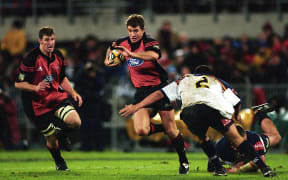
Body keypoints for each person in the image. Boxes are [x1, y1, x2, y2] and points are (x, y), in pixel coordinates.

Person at [120, 65, 276, 177]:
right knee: (237, 139)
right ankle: (265, 169)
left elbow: (159, 94)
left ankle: (219, 169)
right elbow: (236, 100)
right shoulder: (216, 81)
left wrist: (137, 106)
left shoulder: (183, 80)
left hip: (190, 112)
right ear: (210, 74)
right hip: (214, 109)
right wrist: (236, 115)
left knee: (203, 138)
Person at [104, 14, 189, 174]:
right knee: (141, 130)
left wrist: (131, 54)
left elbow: (154, 56)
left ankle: (183, 162)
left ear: (143, 30)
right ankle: (166, 128)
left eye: (136, 30)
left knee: (172, 131)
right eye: (130, 30)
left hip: (160, 90)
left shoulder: (150, 42)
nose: (133, 34)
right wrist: (108, 60)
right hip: (141, 92)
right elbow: (111, 47)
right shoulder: (121, 43)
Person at [14, 27, 82, 171]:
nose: (50, 43)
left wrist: (73, 92)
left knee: (76, 122)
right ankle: (60, 163)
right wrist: (36, 87)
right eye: (46, 40)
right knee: (51, 138)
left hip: (56, 97)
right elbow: (18, 83)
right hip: (36, 104)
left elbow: (62, 77)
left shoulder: (58, 55)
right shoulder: (31, 59)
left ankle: (62, 136)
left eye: (52, 39)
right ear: (40, 41)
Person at [210, 103, 281, 174]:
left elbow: (261, 161)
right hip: (239, 156)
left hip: (256, 140)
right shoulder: (221, 147)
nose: (245, 145)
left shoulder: (254, 139)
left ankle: (260, 113)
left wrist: (237, 170)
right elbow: (211, 167)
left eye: (245, 142)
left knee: (276, 137)